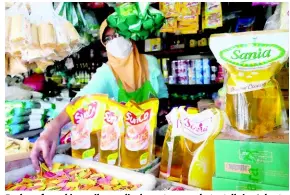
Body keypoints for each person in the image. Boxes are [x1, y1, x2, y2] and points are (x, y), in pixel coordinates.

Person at [30, 20, 169, 171]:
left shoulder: (151, 62)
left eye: (118, 34)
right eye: (108, 39)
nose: (115, 41)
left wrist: (161, 112)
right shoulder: (107, 73)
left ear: (129, 36)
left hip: (150, 141)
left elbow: (162, 94)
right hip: (123, 149)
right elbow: (80, 102)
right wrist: (53, 126)